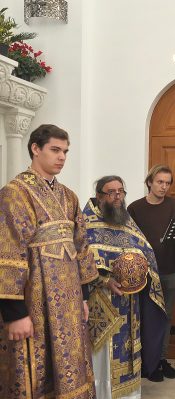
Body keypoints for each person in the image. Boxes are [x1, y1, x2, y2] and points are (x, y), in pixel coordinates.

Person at [0, 124, 99, 399]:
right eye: (55, 150)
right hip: (34, 302)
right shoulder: (14, 193)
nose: (62, 157)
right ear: (35, 149)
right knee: (35, 372)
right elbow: (8, 252)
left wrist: (84, 297)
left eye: (65, 151)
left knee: (72, 367)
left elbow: (81, 247)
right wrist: (14, 312)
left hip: (69, 303)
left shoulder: (69, 196)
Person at [84, 176, 167, 398]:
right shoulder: (86, 224)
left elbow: (146, 250)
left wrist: (141, 273)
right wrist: (103, 281)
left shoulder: (127, 222)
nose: (117, 196)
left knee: (128, 351)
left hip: (129, 304)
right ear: (99, 196)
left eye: (121, 191)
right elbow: (79, 264)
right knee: (101, 356)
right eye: (111, 192)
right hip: (100, 303)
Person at [128, 164, 175, 381]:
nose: (164, 187)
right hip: (144, 273)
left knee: (166, 317)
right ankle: (147, 362)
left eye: (167, 183)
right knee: (145, 316)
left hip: (170, 269)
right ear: (149, 182)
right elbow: (129, 241)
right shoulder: (135, 208)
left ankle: (161, 359)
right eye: (160, 182)